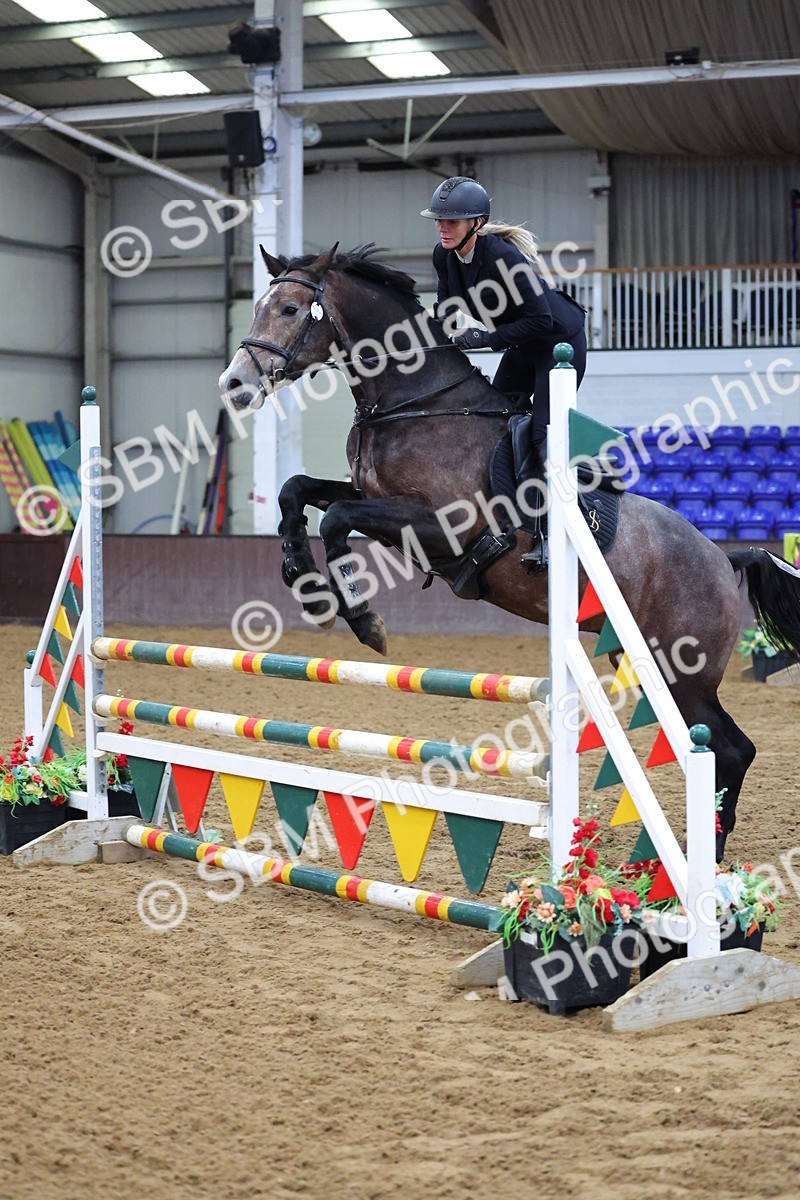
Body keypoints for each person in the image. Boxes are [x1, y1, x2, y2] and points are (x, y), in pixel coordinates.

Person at [421, 175, 588, 570]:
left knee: (544, 435)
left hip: (556, 346)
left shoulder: (502, 258)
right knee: (495, 421)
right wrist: (437, 335)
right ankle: (502, 514)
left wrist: (485, 338)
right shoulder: (443, 255)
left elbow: (541, 319)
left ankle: (550, 533)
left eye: (453, 221)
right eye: (439, 221)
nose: (443, 228)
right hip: (522, 345)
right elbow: (446, 303)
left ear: (476, 224)